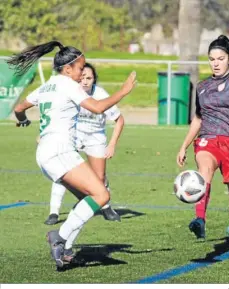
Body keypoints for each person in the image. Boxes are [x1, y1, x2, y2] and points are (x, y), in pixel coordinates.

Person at [9, 41, 136, 268]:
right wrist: (123, 91)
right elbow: (97, 107)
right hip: (60, 151)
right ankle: (59, 237)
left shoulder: (47, 86)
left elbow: (18, 109)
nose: (82, 74)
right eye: (80, 68)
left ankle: (65, 248)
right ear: (67, 69)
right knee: (102, 195)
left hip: (45, 154)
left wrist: (24, 121)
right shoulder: (68, 85)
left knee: (86, 201)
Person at [176, 35, 229, 254]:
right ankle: (199, 219)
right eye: (211, 59)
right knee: (204, 172)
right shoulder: (202, 87)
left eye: (220, 58)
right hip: (208, 140)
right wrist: (183, 146)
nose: (215, 63)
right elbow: (198, 119)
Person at [44, 62, 124, 226]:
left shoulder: (100, 94)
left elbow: (119, 120)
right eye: (82, 77)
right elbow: (53, 112)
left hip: (96, 137)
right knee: (62, 172)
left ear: (94, 80)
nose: (85, 81)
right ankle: (54, 212)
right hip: (75, 134)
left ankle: (106, 206)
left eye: (89, 78)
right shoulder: (71, 91)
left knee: (99, 177)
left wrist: (112, 144)